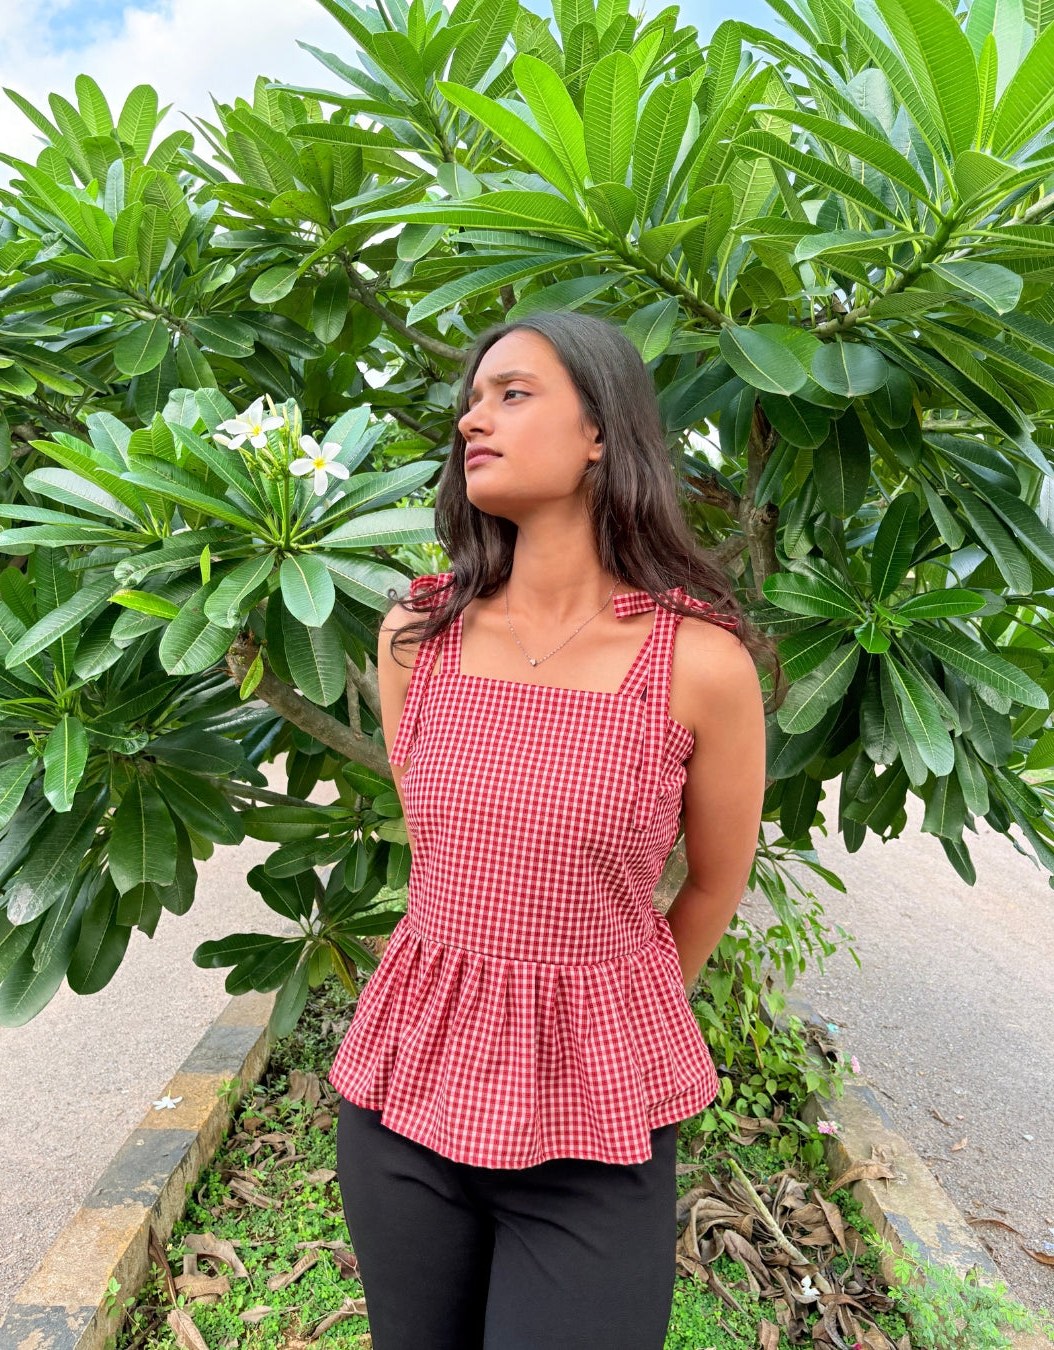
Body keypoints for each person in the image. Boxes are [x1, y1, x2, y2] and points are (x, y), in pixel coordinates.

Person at [330, 310, 770, 1349]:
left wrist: (610, 1005)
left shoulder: (699, 667)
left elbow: (713, 883)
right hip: (404, 1105)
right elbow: (446, 853)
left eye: (513, 393)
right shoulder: (417, 638)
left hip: (596, 1130)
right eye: (472, 400)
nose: (474, 418)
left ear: (600, 433)